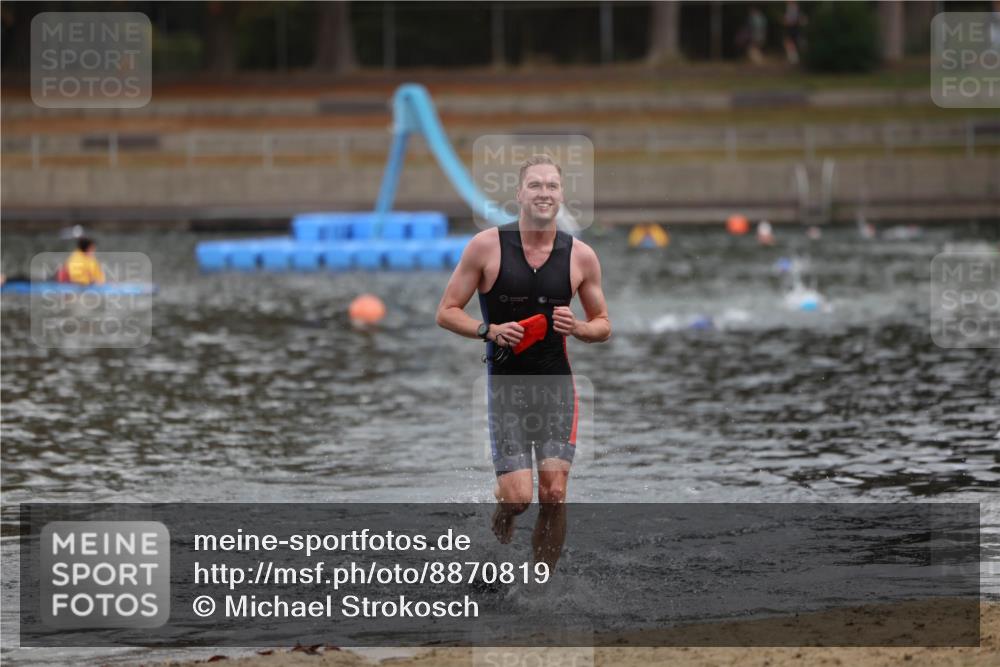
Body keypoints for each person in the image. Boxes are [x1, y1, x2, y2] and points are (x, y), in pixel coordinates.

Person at [436, 155, 611, 562]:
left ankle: (540, 590)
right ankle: (501, 524)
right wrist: (488, 330)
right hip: (507, 389)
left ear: (562, 195)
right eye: (535, 185)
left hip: (556, 389)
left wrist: (580, 328)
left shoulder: (581, 256)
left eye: (552, 186)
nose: (544, 193)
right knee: (518, 499)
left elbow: (603, 323)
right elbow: (446, 311)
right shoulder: (486, 246)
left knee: (553, 494)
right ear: (519, 194)